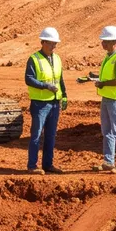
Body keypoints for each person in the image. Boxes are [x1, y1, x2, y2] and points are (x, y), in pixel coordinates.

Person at [81, 25, 116, 173]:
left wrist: (102, 83)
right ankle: (108, 162)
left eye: (105, 41)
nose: (102, 44)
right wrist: (95, 78)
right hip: (107, 97)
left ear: (114, 41)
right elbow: (108, 76)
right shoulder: (109, 57)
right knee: (107, 131)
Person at [24, 26, 66, 174]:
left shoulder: (57, 58)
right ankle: (32, 166)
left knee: (50, 135)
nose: (54, 46)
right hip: (40, 103)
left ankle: (48, 164)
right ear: (43, 42)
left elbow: (60, 79)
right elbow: (28, 79)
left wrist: (64, 95)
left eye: (55, 44)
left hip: (54, 103)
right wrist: (44, 86)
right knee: (36, 135)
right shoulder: (34, 59)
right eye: (51, 43)